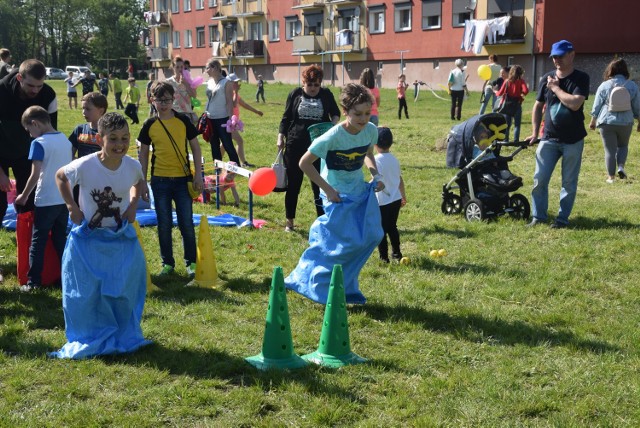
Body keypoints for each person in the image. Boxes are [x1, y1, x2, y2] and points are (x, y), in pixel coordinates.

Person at [51, 112, 151, 360]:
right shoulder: (85, 165)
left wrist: (133, 204)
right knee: (86, 291)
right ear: (100, 139)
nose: (120, 145)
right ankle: (89, 333)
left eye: (125, 138)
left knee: (122, 287)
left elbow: (139, 182)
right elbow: (60, 176)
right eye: (113, 139)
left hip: (118, 238)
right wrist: (71, 206)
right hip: (88, 237)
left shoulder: (132, 165)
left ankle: (121, 330)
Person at [285, 83, 384, 305]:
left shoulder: (369, 130)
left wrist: (375, 175)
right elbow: (304, 163)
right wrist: (328, 189)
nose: (363, 118)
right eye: (357, 114)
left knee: (372, 236)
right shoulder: (332, 136)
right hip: (335, 195)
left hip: (358, 191)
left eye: (367, 113)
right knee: (338, 245)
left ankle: (345, 284)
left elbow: (368, 154)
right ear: (345, 111)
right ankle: (310, 281)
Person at [137, 81, 203, 278]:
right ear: (152, 100)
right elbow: (143, 154)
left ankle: (191, 262)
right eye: (159, 100)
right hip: (159, 182)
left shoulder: (183, 120)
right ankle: (168, 264)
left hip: (183, 181)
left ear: (173, 99)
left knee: (187, 223)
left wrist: (198, 173)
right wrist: (143, 181)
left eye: (167, 99)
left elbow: (195, 147)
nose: (164, 104)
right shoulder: (149, 125)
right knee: (164, 224)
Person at [525, 40, 590, 229]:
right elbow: (537, 106)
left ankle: (562, 219)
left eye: (560, 56)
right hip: (549, 139)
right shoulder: (546, 77)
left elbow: (575, 103)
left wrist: (555, 88)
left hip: (573, 140)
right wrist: (535, 133)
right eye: (554, 57)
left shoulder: (581, 78)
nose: (556, 60)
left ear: (572, 55)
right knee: (539, 179)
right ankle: (539, 216)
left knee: (568, 183)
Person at [14, 106, 72, 291]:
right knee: (60, 239)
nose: (30, 135)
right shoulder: (65, 140)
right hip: (63, 198)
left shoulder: (38, 143)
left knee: (37, 242)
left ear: (35, 123)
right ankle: (66, 278)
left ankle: (34, 282)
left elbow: (35, 174)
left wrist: (24, 195)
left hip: (46, 199)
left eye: (29, 130)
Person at [277, 64, 340, 232]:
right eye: (310, 84)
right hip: (295, 145)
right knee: (293, 185)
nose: (313, 88)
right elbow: (285, 118)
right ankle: (289, 221)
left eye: (316, 84)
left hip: (318, 146)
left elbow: (335, 113)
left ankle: (322, 220)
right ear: (303, 83)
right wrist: (280, 137)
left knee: (318, 185)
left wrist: (331, 126)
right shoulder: (295, 94)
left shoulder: (326, 94)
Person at [0, 59, 58, 222]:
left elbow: (51, 132)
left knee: (29, 200)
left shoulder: (48, 95)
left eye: (39, 86)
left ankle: (27, 237)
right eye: (31, 85)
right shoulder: (2, 91)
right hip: (1, 149)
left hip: (27, 152)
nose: (35, 91)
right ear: (19, 78)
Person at [589, 58, 640, 183]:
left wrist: (593, 120)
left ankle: (611, 177)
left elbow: (597, 105)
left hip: (607, 122)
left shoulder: (604, 85)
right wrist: (639, 120)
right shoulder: (632, 85)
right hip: (626, 122)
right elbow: (637, 106)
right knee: (623, 146)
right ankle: (621, 167)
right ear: (625, 71)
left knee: (610, 150)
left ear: (610, 70)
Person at [374, 127, 406, 264]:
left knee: (380, 230)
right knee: (392, 227)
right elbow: (400, 179)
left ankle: (384, 258)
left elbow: (377, 180)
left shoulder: (376, 160)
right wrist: (403, 195)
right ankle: (397, 254)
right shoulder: (394, 159)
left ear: (374, 144)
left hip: (382, 202)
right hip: (396, 199)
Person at [203, 58, 239, 164]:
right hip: (210, 118)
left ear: (214, 68)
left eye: (207, 68)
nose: (206, 70)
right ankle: (217, 168)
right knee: (214, 145)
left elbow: (229, 102)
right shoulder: (209, 82)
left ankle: (236, 166)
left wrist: (231, 119)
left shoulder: (226, 82)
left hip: (222, 118)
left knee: (227, 143)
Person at [226, 73, 263, 167]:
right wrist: (236, 91)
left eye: (237, 82)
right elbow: (234, 104)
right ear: (229, 83)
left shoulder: (234, 94)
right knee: (239, 141)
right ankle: (243, 163)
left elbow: (244, 105)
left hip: (232, 122)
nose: (237, 84)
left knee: (224, 143)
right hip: (229, 122)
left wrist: (256, 111)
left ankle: (217, 162)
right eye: (235, 82)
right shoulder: (228, 94)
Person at [495, 64, 529, 142]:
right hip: (517, 104)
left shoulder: (507, 81)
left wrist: (495, 92)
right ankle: (516, 140)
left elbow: (500, 93)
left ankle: (505, 140)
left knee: (507, 124)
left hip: (507, 105)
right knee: (517, 124)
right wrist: (521, 94)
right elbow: (526, 91)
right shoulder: (521, 81)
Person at [69, 92, 108, 159]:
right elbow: (69, 154)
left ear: (101, 111)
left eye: (88, 109)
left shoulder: (108, 132)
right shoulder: (79, 130)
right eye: (83, 108)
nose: (83, 112)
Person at [167, 56, 198, 124]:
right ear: (173, 68)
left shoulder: (189, 81)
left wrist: (185, 83)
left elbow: (194, 95)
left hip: (186, 113)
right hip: (173, 113)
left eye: (181, 67)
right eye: (177, 67)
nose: (180, 69)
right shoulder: (168, 82)